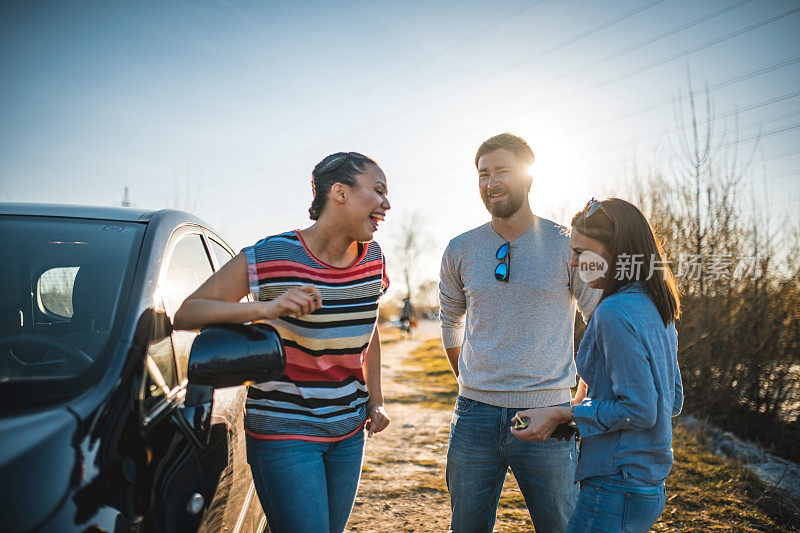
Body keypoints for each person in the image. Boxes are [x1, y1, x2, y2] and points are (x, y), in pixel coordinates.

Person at [173, 152, 392, 533]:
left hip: (349, 432)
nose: (387, 204)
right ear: (339, 192)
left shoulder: (374, 259)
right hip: (285, 432)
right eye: (378, 191)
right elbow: (188, 312)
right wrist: (267, 309)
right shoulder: (272, 255)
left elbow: (368, 328)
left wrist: (376, 398)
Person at [438, 133, 600, 532]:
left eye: (502, 171)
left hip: (548, 414)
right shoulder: (459, 249)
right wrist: (471, 380)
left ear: (528, 177)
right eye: (483, 174)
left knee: (562, 525)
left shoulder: (569, 245)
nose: (490, 182)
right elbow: (450, 319)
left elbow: (599, 320)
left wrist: (582, 398)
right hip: (473, 416)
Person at [511, 198, 683, 533]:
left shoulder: (613, 312)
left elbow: (640, 410)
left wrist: (564, 414)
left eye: (581, 252)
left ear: (616, 253)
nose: (573, 263)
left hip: (614, 486)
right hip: (647, 487)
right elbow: (671, 400)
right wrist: (579, 421)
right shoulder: (659, 307)